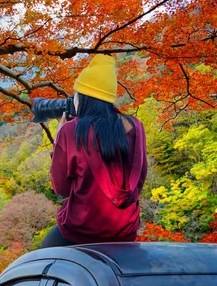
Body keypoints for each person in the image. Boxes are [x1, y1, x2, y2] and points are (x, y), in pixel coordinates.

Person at [39, 54, 147, 248]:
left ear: (84, 97)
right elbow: (139, 180)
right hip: (125, 231)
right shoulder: (137, 128)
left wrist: (58, 141)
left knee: (44, 253)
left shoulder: (71, 131)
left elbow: (61, 189)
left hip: (81, 231)